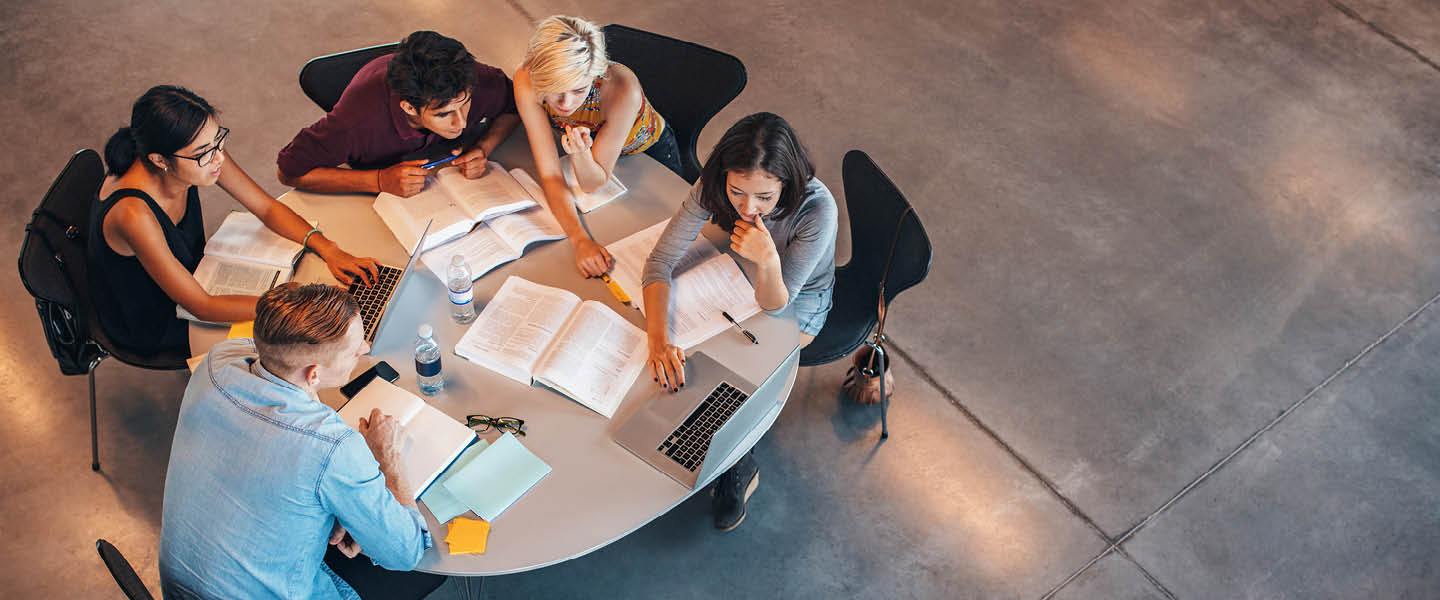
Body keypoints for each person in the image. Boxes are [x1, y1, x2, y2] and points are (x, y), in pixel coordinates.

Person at [159, 283, 444, 599]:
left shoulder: (218, 361)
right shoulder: (332, 448)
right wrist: (387, 459)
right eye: (355, 348)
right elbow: (406, 552)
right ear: (313, 375)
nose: (364, 348)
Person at [641, 112, 837, 531]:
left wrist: (767, 261)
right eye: (737, 193)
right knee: (689, 352)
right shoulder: (713, 187)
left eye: (765, 198)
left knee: (739, 369)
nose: (748, 209)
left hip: (796, 301)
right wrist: (659, 340)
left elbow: (777, 306)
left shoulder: (817, 210)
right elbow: (659, 262)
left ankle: (736, 460)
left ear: (787, 183)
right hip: (733, 276)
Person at [90, 85, 379, 357]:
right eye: (204, 154)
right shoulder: (133, 215)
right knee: (293, 345)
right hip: (156, 315)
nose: (218, 159)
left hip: (194, 274)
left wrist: (328, 248)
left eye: (218, 141)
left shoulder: (199, 150)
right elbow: (200, 306)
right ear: (160, 160)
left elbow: (265, 207)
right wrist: (291, 300)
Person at [513, 15, 681, 277]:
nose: (566, 103)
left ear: (595, 74)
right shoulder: (526, 80)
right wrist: (579, 239)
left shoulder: (623, 89)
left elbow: (592, 183)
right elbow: (549, 173)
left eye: (579, 90)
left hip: (647, 153)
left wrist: (581, 155)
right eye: (555, 89)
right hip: (587, 147)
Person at [277, 30, 520, 197]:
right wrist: (379, 181)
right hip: (384, 190)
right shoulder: (356, 122)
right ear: (409, 108)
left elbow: (515, 106)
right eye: (444, 114)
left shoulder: (471, 79)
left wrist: (484, 147)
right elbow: (289, 171)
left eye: (465, 103)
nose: (461, 122)